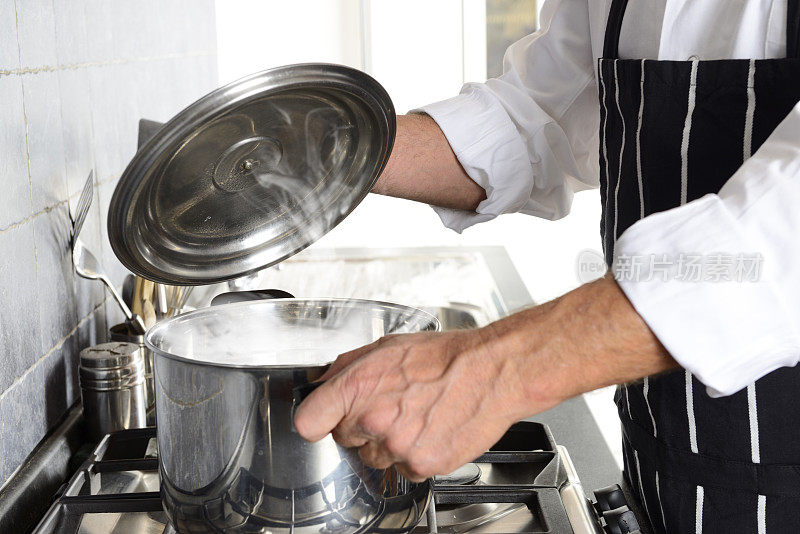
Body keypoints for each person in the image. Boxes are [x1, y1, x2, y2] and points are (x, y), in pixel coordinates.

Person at [294, 1, 800, 532]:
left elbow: (780, 239)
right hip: (663, 480)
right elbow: (541, 117)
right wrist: (323, 153)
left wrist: (489, 373)